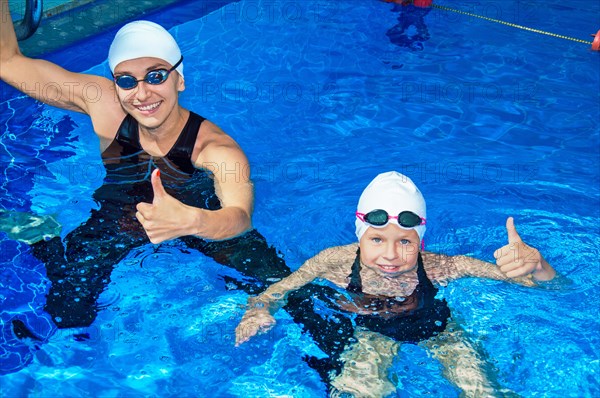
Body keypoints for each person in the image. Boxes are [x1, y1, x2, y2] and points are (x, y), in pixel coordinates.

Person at [0, 2, 344, 378]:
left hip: (203, 218)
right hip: (121, 214)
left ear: (179, 78)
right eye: (126, 80)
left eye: (156, 75)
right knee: (67, 311)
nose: (142, 93)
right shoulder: (102, 103)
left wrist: (190, 219)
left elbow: (239, 217)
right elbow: (7, 59)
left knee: (292, 291)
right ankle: (47, 238)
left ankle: (349, 366)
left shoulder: (216, 149)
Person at [235, 171, 556, 397]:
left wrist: (538, 266)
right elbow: (276, 290)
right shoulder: (333, 261)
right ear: (360, 235)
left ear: (421, 241)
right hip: (372, 336)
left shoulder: (441, 266)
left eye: (405, 242)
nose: (390, 255)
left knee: (483, 392)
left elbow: (543, 287)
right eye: (377, 239)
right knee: (361, 391)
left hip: (440, 333)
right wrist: (257, 312)